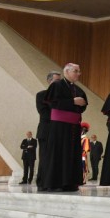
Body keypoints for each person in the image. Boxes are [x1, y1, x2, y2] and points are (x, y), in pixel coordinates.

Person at [41, 63, 87, 191]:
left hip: (73, 127)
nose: (78, 74)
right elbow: (53, 103)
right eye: (75, 71)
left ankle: (70, 183)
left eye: (79, 71)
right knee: (58, 153)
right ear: (66, 72)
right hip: (59, 127)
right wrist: (73, 101)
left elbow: (83, 105)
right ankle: (55, 183)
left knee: (72, 154)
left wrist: (80, 104)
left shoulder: (78, 89)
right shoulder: (57, 85)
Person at [35, 70, 61, 188]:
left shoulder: (63, 98)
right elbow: (44, 113)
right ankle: (43, 183)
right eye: (57, 81)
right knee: (45, 158)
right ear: (49, 81)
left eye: (60, 81)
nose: (59, 83)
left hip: (59, 132)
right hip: (46, 131)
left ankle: (55, 182)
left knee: (57, 158)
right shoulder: (41, 95)